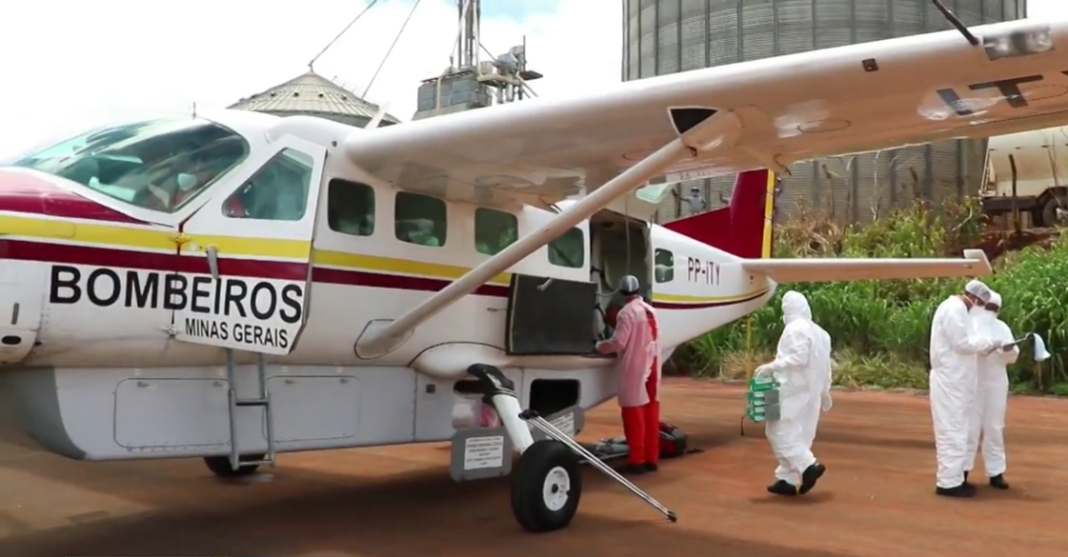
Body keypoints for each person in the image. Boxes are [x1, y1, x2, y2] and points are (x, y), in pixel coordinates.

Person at [754, 291, 832, 496]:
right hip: (812, 391)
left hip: (790, 389)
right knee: (801, 433)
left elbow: (798, 358)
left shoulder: (795, 329)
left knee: (778, 431)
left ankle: (808, 466)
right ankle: (786, 479)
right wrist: (825, 391)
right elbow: (826, 366)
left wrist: (772, 367)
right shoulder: (821, 333)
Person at [928, 279, 999, 498]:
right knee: (952, 430)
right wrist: (987, 343)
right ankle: (948, 482)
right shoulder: (954, 309)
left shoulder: (958, 310)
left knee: (960, 429)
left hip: (958, 381)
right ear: (976, 299)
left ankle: (954, 478)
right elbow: (962, 343)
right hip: (950, 380)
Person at [596, 275, 661, 475]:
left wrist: (599, 346)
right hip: (653, 364)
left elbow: (619, 343)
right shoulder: (651, 310)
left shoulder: (626, 313)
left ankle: (636, 461)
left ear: (622, 292)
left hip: (636, 367)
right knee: (651, 413)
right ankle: (651, 458)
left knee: (634, 416)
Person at [964, 291, 1017, 490]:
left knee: (994, 427)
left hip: (996, 382)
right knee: (970, 427)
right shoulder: (968, 324)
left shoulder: (1002, 327)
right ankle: (963, 470)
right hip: (974, 381)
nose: (990, 312)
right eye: (989, 307)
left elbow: (1012, 356)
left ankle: (996, 472)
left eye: (994, 308)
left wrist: (1007, 350)